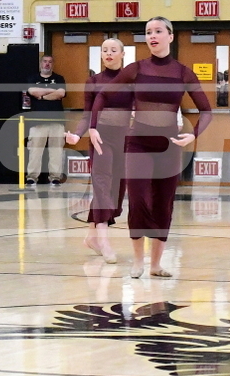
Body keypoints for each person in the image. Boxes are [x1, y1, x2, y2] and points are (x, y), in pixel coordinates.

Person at [90, 17, 212, 278]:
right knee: (137, 199)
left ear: (170, 36)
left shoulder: (183, 72)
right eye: (148, 32)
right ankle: (138, 261)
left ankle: (156, 265)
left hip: (170, 147)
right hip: (138, 144)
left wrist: (193, 135)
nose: (152, 36)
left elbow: (207, 110)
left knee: (163, 204)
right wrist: (92, 126)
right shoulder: (135, 69)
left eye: (158, 31)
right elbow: (102, 95)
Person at [67, 38, 134, 264]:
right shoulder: (94, 81)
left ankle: (91, 237)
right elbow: (87, 115)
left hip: (124, 140)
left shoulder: (131, 81)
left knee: (116, 190)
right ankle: (104, 241)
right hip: (100, 139)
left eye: (113, 50)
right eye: (105, 50)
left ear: (122, 54)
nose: (108, 53)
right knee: (102, 184)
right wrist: (77, 134)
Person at [24, 54, 68, 186]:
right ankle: (32, 177)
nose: (47, 64)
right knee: (35, 151)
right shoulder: (33, 78)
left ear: (53, 64)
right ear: (40, 63)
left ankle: (55, 177)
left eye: (50, 62)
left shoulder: (59, 78)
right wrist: (52, 91)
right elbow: (32, 91)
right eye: (45, 61)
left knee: (56, 151)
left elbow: (61, 93)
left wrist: (42, 97)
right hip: (37, 121)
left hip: (57, 121)